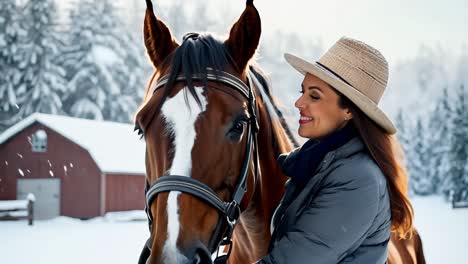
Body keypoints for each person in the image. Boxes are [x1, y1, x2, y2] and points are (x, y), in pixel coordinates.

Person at [257, 37, 414, 263]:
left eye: (314, 95)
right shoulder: (317, 165)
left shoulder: (358, 178)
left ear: (349, 109)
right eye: (302, 92)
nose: (299, 103)